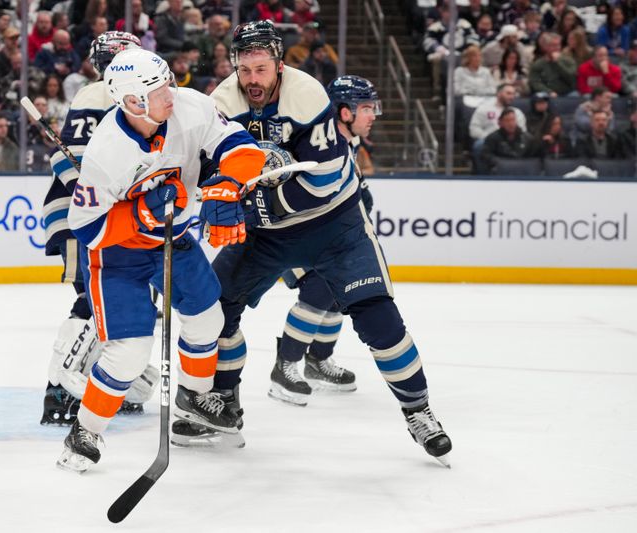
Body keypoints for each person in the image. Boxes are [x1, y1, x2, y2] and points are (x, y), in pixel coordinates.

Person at [172, 21, 453, 466]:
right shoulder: (221, 102)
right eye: (244, 70)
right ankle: (223, 405)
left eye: (261, 68)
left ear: (279, 65)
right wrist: (208, 194)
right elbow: (207, 168)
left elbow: (318, 186)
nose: (252, 80)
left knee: (378, 318)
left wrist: (243, 209)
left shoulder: (307, 95)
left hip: (333, 224)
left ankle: (419, 412)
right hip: (267, 234)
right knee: (216, 307)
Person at [57, 47, 265, 472]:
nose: (171, 92)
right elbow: (88, 228)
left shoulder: (191, 106)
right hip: (117, 258)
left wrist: (228, 183)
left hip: (173, 241)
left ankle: (191, 405)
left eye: (169, 80)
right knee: (129, 354)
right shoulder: (107, 151)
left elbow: (243, 148)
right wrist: (142, 213)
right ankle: (86, 430)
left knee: (209, 319)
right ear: (133, 102)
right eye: (158, 89)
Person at [40, 31, 161, 426]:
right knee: (92, 298)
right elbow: (65, 165)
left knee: (115, 301)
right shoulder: (95, 96)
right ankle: (58, 387)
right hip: (81, 217)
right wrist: (98, 196)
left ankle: (104, 377)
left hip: (116, 220)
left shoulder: (139, 98)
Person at [263, 75, 382, 408]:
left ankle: (317, 361)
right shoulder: (322, 141)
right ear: (344, 112)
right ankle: (285, 366)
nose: (372, 115)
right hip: (300, 231)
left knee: (336, 294)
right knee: (318, 289)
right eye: (366, 108)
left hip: (328, 233)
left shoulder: (350, 142)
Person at [468, 83, 527, 170]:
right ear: (499, 93)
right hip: (489, 141)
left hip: (511, 143)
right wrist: (489, 138)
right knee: (479, 145)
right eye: (508, 93)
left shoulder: (517, 112)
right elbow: (473, 129)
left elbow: (523, 131)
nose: (512, 97)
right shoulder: (484, 109)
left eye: (513, 94)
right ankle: (482, 178)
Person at [480, 107, 539, 173]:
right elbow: (486, 155)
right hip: (501, 170)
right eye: (507, 120)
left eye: (513, 120)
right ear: (500, 123)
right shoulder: (492, 138)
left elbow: (534, 157)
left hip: (522, 170)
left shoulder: (528, 138)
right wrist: (499, 162)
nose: (511, 124)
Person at [528, 32, 577, 96]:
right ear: (546, 47)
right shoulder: (538, 64)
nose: (557, 48)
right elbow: (534, 82)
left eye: (558, 45)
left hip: (567, 93)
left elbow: (572, 79)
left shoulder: (568, 61)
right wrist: (549, 92)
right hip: (548, 94)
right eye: (553, 45)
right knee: (541, 96)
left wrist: (558, 63)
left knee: (575, 95)